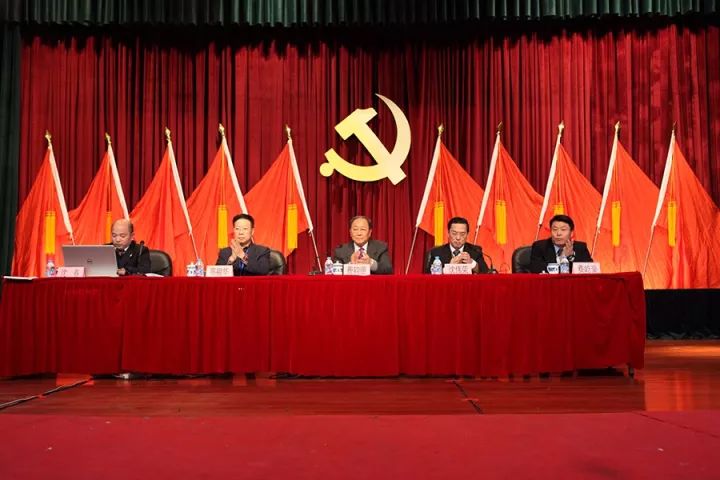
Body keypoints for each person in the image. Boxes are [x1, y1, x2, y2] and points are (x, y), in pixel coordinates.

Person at [424, 217, 489, 273]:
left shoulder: (475, 250)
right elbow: (428, 277)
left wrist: (472, 263)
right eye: (454, 233)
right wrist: (449, 268)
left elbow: (486, 273)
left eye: (462, 234)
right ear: (448, 233)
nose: (458, 238)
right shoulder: (437, 252)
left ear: (467, 234)